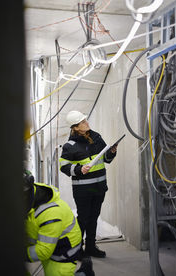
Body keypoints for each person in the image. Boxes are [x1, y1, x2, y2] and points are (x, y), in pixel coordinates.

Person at [59, 110, 117, 259]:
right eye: (83, 122)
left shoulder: (96, 137)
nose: (87, 123)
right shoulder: (69, 146)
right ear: (76, 127)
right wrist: (79, 169)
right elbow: (64, 167)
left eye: (86, 120)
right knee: (83, 218)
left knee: (94, 217)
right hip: (83, 190)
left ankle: (91, 247)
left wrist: (111, 152)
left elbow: (106, 158)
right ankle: (78, 249)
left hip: (99, 187)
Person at [23, 170, 95, 276]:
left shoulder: (49, 212)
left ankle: (85, 273)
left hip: (63, 250)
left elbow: (44, 251)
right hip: (43, 242)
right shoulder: (27, 201)